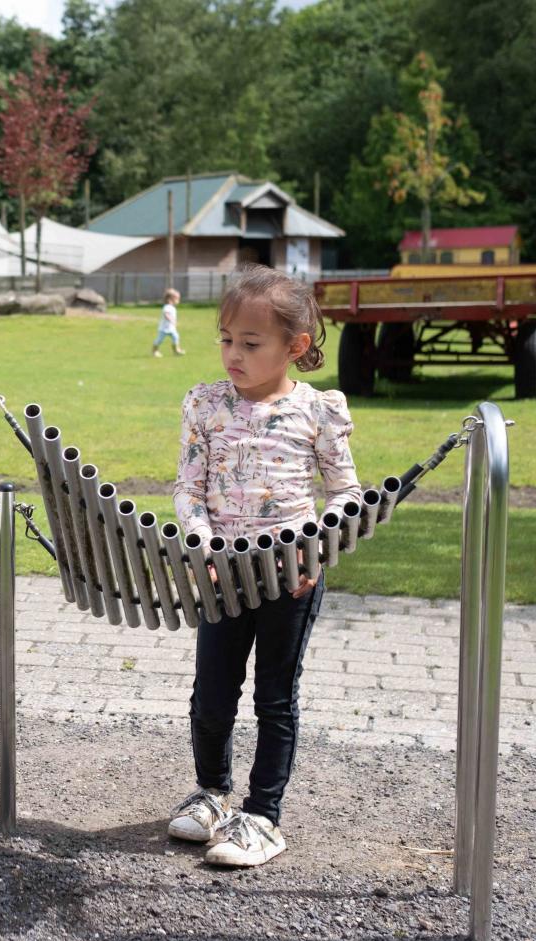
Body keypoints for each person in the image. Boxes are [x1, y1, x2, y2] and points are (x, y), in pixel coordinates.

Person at [169, 263, 361, 867]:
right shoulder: (204, 403)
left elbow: (346, 495)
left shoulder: (319, 411)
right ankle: (213, 794)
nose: (233, 354)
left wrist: (316, 546)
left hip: (291, 576)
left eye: (251, 344)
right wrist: (199, 542)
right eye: (226, 339)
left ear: (294, 346)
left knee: (275, 697)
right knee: (212, 693)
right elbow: (188, 489)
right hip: (222, 574)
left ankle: (263, 816)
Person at [153, 287, 183, 357]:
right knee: (159, 340)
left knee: (176, 337)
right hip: (164, 329)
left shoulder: (172, 307)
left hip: (171, 328)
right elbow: (166, 314)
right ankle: (154, 351)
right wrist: (171, 320)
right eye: (177, 299)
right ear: (170, 299)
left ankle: (176, 350)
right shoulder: (167, 307)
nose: (178, 301)